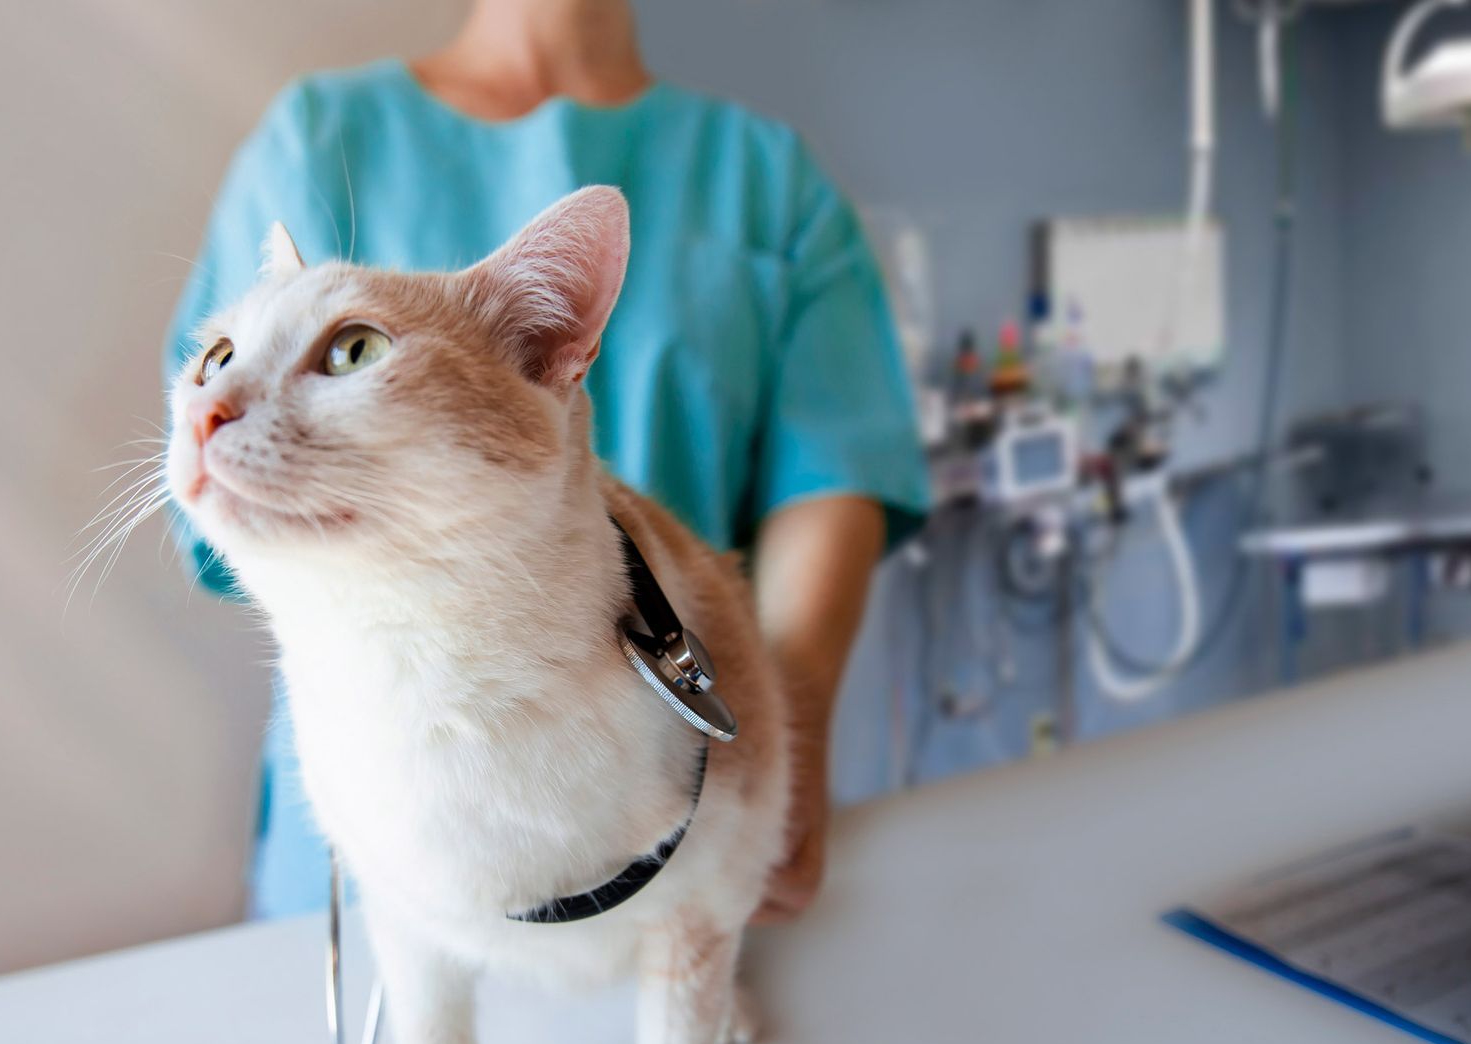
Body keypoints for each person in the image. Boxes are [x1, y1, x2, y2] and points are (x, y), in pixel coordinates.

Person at [165, 0, 928, 924]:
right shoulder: (320, 135)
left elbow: (832, 466)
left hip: (664, 785)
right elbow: (223, 465)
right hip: (387, 801)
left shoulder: (765, 177)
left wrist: (788, 726)